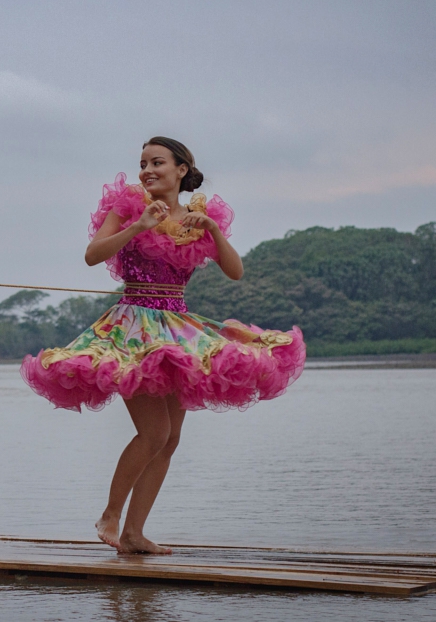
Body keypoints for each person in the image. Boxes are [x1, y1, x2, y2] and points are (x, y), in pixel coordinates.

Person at [21, 136, 306, 555]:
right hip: (133, 325)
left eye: (157, 162)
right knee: (154, 432)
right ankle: (110, 515)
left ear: (181, 170)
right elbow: (92, 254)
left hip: (177, 325)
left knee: (170, 440)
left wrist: (211, 229)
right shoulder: (129, 205)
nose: (147, 170)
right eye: (142, 163)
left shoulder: (198, 216)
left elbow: (236, 271)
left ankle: (134, 534)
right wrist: (138, 227)